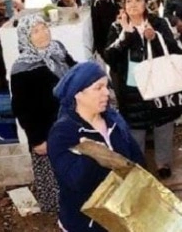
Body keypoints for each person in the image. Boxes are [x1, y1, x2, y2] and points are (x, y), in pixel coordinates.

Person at [48, 62, 145, 232]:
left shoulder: (114, 121)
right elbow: (75, 181)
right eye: (98, 88)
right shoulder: (63, 133)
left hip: (124, 215)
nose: (107, 93)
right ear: (78, 94)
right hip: (87, 224)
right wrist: (93, 153)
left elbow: (137, 162)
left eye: (106, 86)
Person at [103, 0, 182, 179]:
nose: (133, 4)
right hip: (132, 90)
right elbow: (109, 57)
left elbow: (174, 50)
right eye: (129, 1)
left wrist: (155, 38)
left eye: (138, 0)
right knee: (135, 129)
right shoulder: (117, 28)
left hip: (160, 84)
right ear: (123, 6)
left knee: (163, 123)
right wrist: (125, 35)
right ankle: (139, 166)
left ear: (145, 3)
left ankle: (163, 163)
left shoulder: (158, 23)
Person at [10, 15, 76, 213]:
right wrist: (37, 139)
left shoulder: (58, 49)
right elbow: (22, 108)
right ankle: (64, 219)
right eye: (36, 30)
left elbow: (74, 72)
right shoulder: (22, 68)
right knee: (58, 185)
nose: (43, 32)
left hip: (71, 125)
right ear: (26, 37)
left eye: (44, 27)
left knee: (77, 177)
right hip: (47, 134)